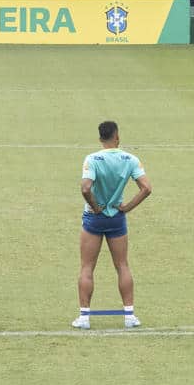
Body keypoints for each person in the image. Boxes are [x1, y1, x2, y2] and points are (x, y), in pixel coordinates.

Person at [73, 120, 151, 329]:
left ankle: (84, 317)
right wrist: (127, 207)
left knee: (87, 267)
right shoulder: (130, 159)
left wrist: (96, 207)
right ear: (117, 136)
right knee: (122, 265)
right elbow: (146, 188)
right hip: (117, 217)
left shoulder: (92, 159)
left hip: (93, 219)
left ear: (100, 139)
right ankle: (129, 316)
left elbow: (85, 188)